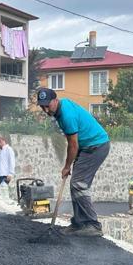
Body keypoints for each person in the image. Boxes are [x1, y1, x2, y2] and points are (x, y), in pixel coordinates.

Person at [37, 87, 110, 237]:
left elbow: (73, 144)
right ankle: (79, 223)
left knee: (79, 184)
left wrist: (67, 166)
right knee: (75, 184)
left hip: (95, 146)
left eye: (47, 105)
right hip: (87, 146)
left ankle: (92, 225)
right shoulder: (60, 108)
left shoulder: (66, 115)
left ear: (55, 100)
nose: (45, 110)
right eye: (42, 106)